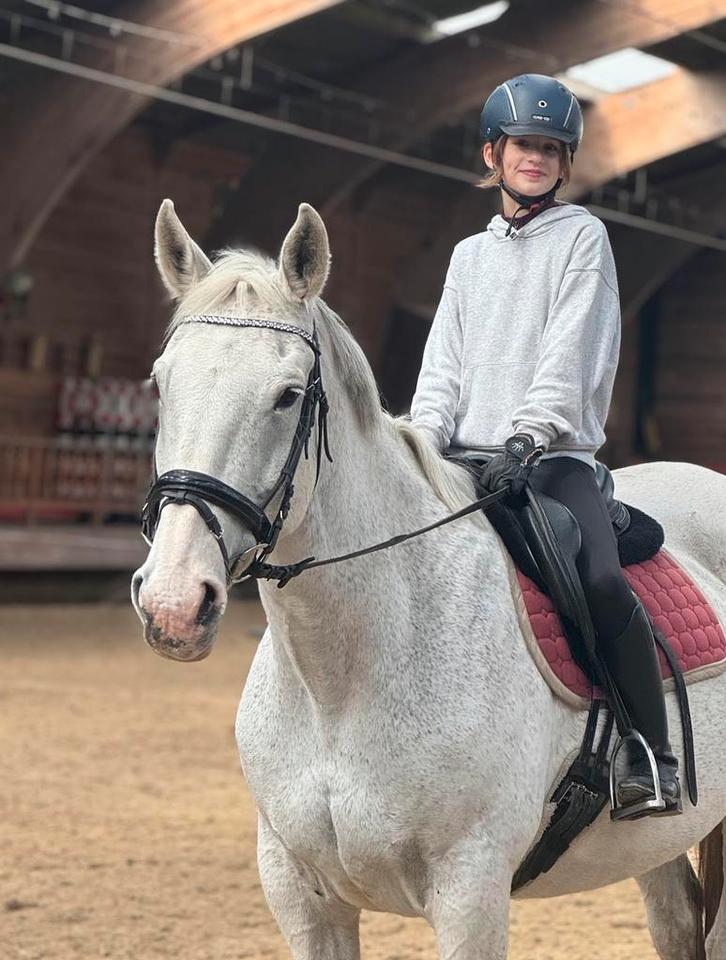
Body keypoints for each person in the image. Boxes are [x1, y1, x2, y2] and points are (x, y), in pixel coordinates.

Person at [410, 73, 681, 819]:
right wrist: (421, 441)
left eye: (551, 149)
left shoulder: (582, 238)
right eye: (525, 145)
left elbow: (571, 353)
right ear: (494, 152)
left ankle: (649, 756)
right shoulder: (469, 255)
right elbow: (443, 365)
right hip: (467, 457)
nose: (536, 158)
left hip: (552, 459)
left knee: (597, 580)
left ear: (565, 164)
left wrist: (530, 434)